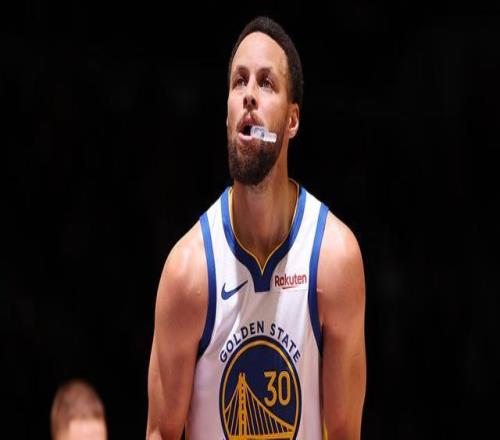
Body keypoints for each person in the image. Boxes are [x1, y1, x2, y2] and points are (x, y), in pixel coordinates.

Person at [147, 16, 366, 440]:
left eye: (266, 83)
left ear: (292, 121)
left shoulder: (334, 259)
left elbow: (344, 431)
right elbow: (161, 431)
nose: (249, 95)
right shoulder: (188, 273)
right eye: (238, 82)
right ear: (228, 116)